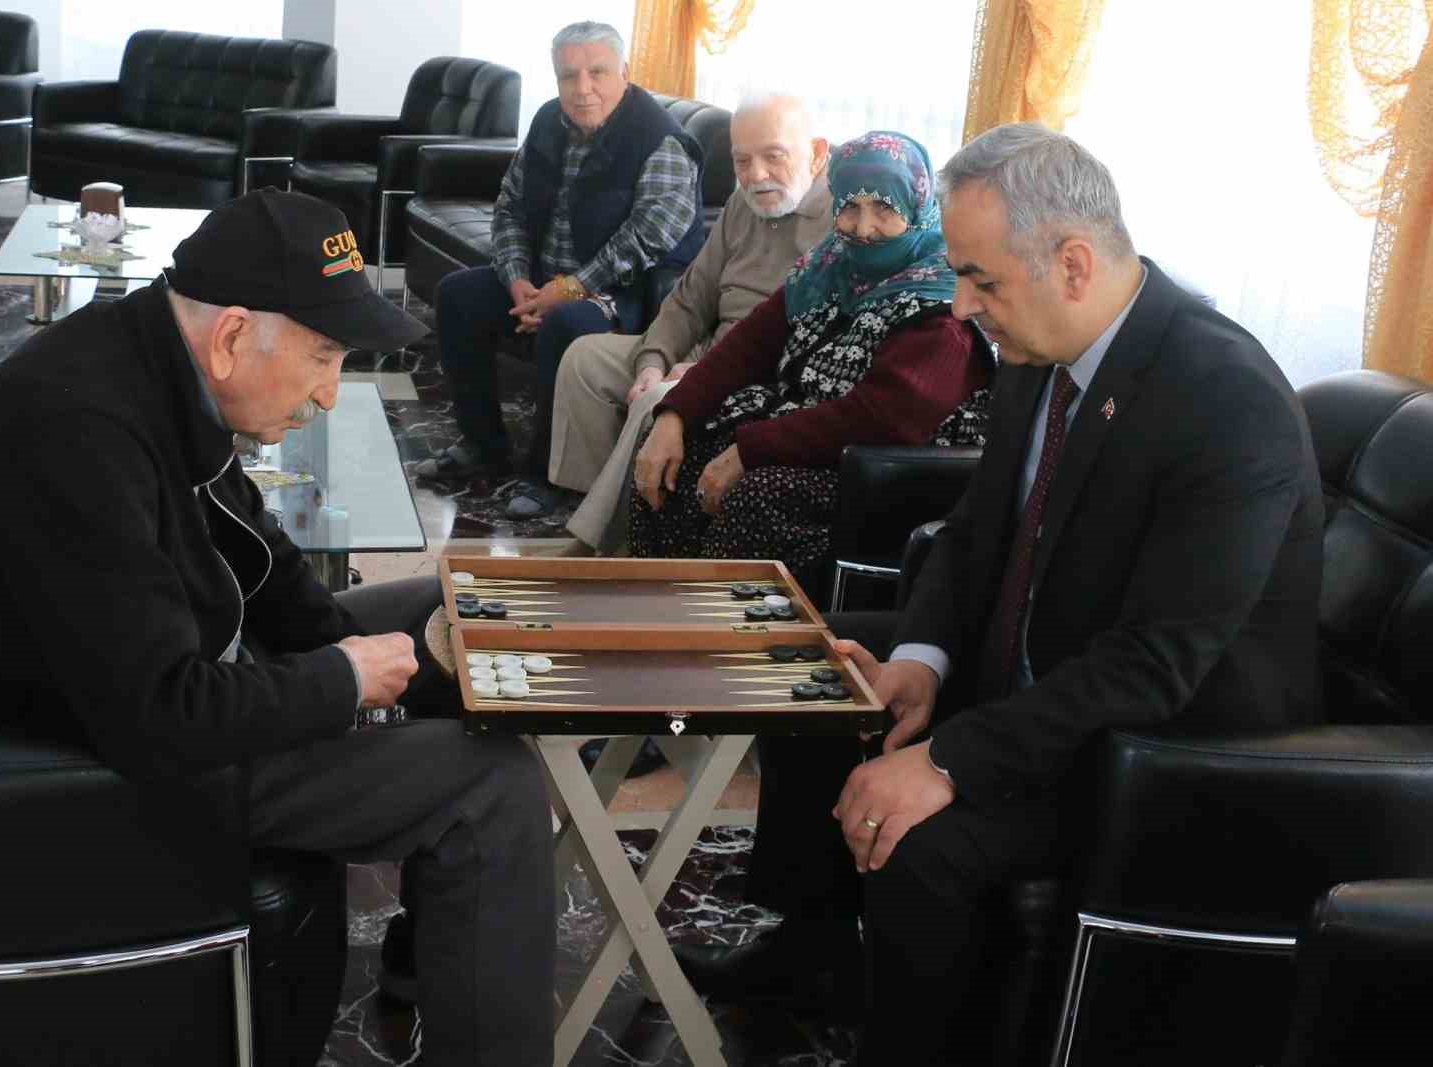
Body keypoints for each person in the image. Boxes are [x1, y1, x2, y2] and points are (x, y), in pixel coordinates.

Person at [674, 124, 1326, 1066]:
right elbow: (979, 531)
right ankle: (813, 956)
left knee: (924, 842)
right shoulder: (1039, 349)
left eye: (980, 280)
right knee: (824, 677)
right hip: (1045, 666)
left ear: (1070, 262)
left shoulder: (1226, 398)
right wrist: (920, 663)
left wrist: (949, 761)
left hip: (1160, 747)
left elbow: (1157, 663)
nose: (963, 305)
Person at [0, 190, 556, 1067]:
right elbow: (163, 715)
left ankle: (449, 954)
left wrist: (344, 642)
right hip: (71, 761)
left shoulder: (153, 360)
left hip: (156, 676)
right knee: (489, 786)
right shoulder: (79, 433)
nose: (331, 392)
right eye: (324, 356)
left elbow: (252, 552)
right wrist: (337, 678)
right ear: (233, 335)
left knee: (430, 612)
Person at [628, 130, 993, 596]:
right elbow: (746, 347)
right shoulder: (827, 268)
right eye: (850, 208)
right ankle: (653, 607)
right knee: (674, 450)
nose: (864, 229)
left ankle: (730, 638)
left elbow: (883, 417)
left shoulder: (943, 306)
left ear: (918, 209)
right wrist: (674, 415)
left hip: (883, 471)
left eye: (885, 210)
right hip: (801, 440)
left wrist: (749, 450)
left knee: (757, 496)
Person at [411, 19, 705, 522]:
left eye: (597, 72)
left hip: (621, 294)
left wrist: (571, 289)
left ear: (625, 73)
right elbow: (510, 206)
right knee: (458, 295)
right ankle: (482, 444)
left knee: (568, 326)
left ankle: (547, 474)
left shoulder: (661, 140)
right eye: (569, 76)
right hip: (544, 280)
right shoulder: (549, 121)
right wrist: (517, 279)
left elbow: (651, 235)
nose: (583, 88)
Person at [550, 91, 832, 554]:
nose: (756, 175)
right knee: (586, 361)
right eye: (742, 161)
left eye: (773, 157)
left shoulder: (847, 220)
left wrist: (701, 372)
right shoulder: (744, 204)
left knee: (660, 402)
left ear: (817, 153)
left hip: (755, 370)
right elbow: (690, 297)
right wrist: (654, 361)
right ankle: (600, 510)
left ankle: (594, 548)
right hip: (705, 348)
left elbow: (801, 339)